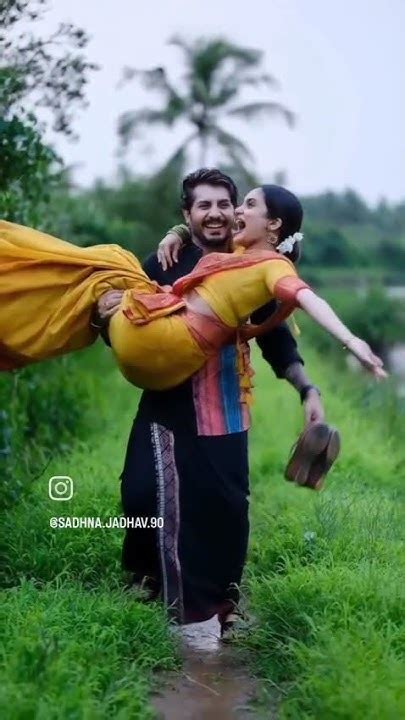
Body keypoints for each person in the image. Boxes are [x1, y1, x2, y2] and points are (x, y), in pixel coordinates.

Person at [0, 178, 385, 632]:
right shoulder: (166, 260)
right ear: (188, 214)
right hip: (166, 400)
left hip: (224, 400)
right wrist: (106, 314)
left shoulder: (249, 260)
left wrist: (308, 389)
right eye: (204, 206)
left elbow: (277, 339)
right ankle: (146, 583)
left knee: (226, 505)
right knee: (141, 493)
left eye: (225, 204)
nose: (216, 213)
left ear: (239, 213)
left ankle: (225, 602)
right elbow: (125, 329)